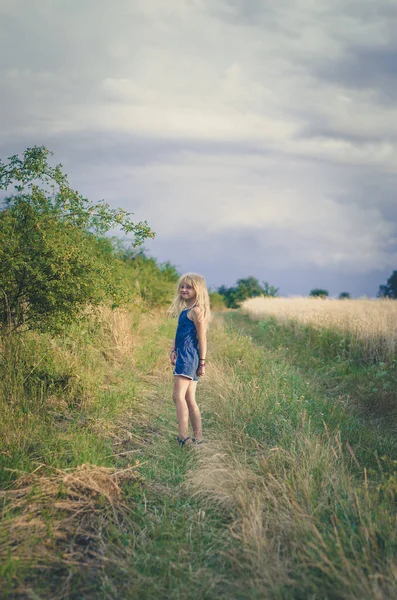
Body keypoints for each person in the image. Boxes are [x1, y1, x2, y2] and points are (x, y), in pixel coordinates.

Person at [168, 273, 210, 447]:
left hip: (188, 357)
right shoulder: (186, 310)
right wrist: (172, 348)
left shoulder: (196, 311)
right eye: (182, 286)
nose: (184, 289)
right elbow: (180, 333)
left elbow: (202, 338)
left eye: (189, 287)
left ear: (197, 290)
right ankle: (198, 437)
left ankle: (183, 437)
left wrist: (202, 362)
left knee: (178, 396)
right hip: (185, 355)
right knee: (189, 398)